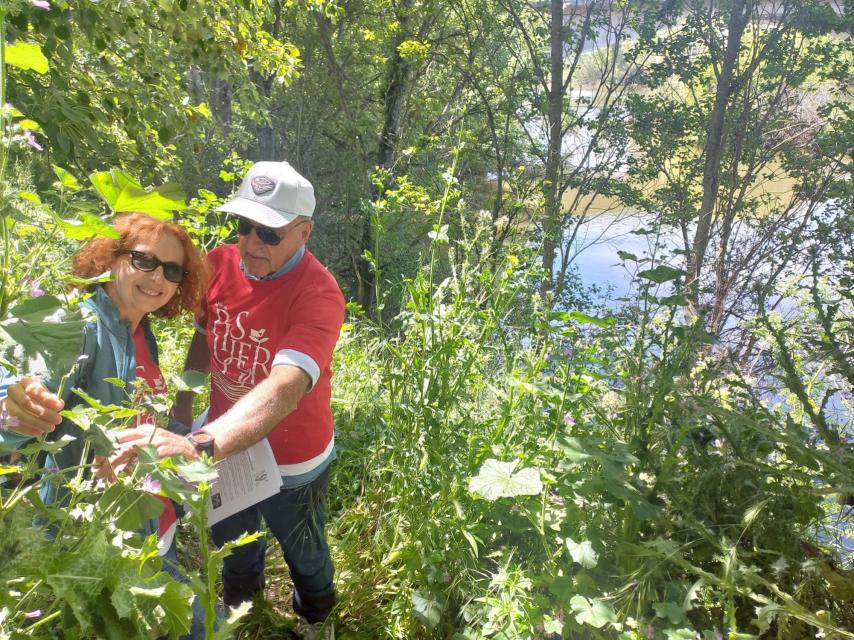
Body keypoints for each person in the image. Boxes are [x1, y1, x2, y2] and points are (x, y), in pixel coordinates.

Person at [108, 161, 345, 640]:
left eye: (269, 232)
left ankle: (317, 616)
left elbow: (287, 386)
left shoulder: (319, 293)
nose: (252, 243)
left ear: (304, 231)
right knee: (231, 539)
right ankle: (242, 604)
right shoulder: (219, 264)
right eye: (245, 226)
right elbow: (203, 336)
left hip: (291, 459)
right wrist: (183, 407)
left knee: (306, 550)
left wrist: (198, 444)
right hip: (219, 439)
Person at [0, 212, 208, 636]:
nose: (158, 278)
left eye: (172, 270)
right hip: (89, 536)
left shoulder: (138, 328)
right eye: (145, 260)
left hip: (145, 521)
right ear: (110, 256)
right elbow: (27, 380)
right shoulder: (78, 322)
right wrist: (15, 404)